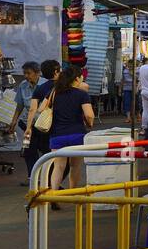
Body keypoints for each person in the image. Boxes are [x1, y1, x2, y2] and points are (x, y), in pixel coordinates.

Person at [46, 65, 95, 194]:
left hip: (57, 135)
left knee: (58, 166)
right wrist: (90, 123)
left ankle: (54, 195)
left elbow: (41, 110)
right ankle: (73, 193)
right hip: (77, 134)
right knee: (75, 166)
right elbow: (89, 115)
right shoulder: (81, 95)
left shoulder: (54, 93)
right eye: (81, 77)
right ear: (77, 78)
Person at [23, 59, 61, 179]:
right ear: (57, 71)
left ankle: (41, 179)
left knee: (43, 153)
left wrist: (28, 128)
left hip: (43, 126)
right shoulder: (65, 86)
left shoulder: (40, 88)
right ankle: (51, 180)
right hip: (61, 126)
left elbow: (32, 110)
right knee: (58, 157)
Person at [8, 61, 40, 172]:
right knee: (28, 151)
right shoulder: (23, 85)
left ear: (37, 73)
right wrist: (14, 121)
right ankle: (31, 176)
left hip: (42, 126)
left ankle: (45, 177)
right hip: (26, 126)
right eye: (24, 73)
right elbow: (20, 105)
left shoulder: (45, 85)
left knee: (44, 150)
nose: (26, 76)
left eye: (29, 73)